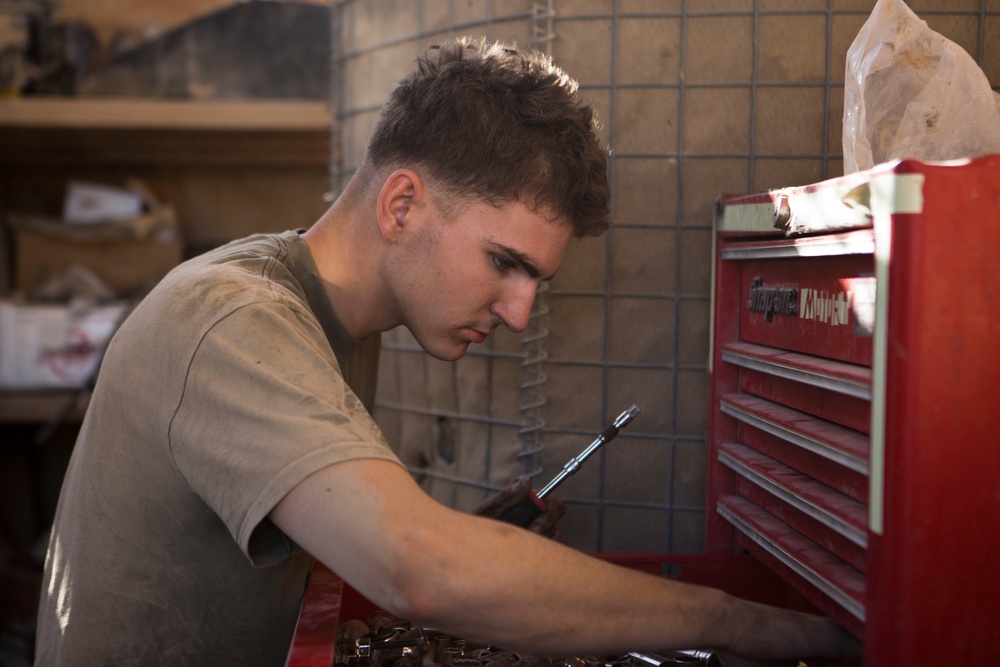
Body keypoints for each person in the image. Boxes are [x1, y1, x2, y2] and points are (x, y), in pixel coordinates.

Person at [35, 36, 859, 666]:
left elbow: (375, 554)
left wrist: (471, 540)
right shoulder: (233, 321)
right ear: (401, 204)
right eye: (506, 263)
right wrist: (741, 623)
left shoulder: (330, 320)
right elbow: (417, 571)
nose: (519, 312)